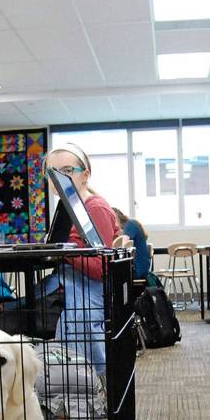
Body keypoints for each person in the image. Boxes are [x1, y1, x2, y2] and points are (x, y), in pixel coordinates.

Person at [42, 142, 119, 379]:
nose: (58, 178)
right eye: (51, 173)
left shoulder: (94, 208)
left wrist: (63, 248)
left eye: (66, 171)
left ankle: (87, 388)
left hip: (88, 297)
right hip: (73, 292)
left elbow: (100, 267)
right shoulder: (68, 209)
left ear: (85, 175)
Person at [113, 208, 151, 279]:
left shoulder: (130, 224)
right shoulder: (131, 223)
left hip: (138, 270)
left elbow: (124, 246)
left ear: (115, 217)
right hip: (141, 268)